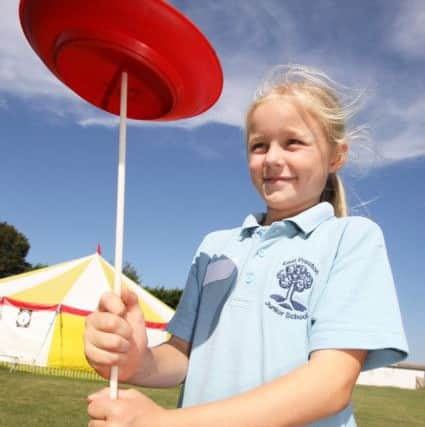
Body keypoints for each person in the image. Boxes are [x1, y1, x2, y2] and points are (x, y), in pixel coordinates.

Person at [84, 65, 408, 427]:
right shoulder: (215, 247)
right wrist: (134, 359)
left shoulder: (351, 238)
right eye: (258, 145)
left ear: (336, 156)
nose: (271, 158)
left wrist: (165, 423)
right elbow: (182, 357)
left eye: (293, 142)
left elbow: (330, 385)